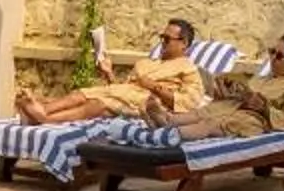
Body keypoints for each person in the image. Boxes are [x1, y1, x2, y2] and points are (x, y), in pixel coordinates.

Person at [14, 19, 206, 124]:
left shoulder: (189, 69)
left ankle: (44, 117)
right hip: (124, 95)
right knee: (81, 93)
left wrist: (153, 86)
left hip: (144, 104)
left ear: (184, 44)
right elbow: (121, 88)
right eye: (161, 37)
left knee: (98, 104)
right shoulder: (147, 63)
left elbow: (188, 103)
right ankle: (42, 110)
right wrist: (108, 72)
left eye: (167, 39)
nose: (162, 42)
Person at [148, 33, 284, 139]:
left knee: (212, 123)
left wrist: (264, 108)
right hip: (232, 106)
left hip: (252, 120)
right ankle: (169, 120)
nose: (272, 58)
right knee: (207, 111)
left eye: (279, 55)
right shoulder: (261, 78)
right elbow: (240, 95)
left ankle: (172, 136)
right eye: (272, 51)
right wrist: (225, 90)